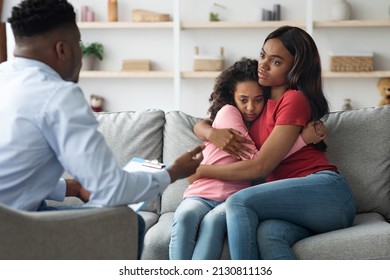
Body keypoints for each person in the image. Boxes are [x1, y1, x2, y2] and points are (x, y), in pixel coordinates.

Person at [0, 0, 204, 258]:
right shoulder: (58, 95)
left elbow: (11, 173)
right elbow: (111, 190)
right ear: (63, 49)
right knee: (127, 222)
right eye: (79, 43)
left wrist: (70, 188)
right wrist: (174, 172)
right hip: (14, 231)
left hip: (10, 218)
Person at [191, 26, 356, 260]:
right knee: (268, 233)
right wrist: (210, 133)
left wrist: (201, 171)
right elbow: (204, 122)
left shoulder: (293, 99)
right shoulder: (258, 103)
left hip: (326, 193)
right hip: (297, 206)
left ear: (295, 68)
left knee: (238, 202)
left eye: (276, 62)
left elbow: (261, 167)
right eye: (262, 55)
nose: (263, 64)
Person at [169, 59, 325, 260]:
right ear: (232, 98)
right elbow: (260, 160)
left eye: (258, 100)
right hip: (201, 193)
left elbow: (266, 159)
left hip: (233, 198)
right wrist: (303, 139)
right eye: (243, 99)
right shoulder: (229, 112)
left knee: (214, 223)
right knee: (185, 216)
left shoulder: (262, 125)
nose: (251, 107)